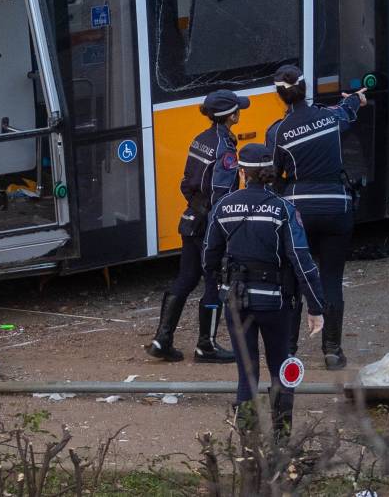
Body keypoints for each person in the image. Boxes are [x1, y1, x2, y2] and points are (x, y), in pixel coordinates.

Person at [202, 143, 325, 438]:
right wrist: (316, 306)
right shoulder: (284, 209)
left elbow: (209, 256)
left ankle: (246, 442)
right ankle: (282, 438)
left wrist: (217, 289)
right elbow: (301, 259)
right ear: (271, 173)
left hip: (236, 302)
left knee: (246, 373)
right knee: (282, 367)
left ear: (242, 172)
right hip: (276, 303)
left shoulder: (222, 207)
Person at [264, 64, 365, 370]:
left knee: (294, 279)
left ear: (280, 96)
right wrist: (356, 98)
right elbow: (348, 109)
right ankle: (332, 351)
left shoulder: (278, 131)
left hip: (299, 214)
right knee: (331, 278)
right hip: (337, 207)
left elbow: (272, 175)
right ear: (306, 89)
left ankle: (289, 351)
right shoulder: (330, 117)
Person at [146, 89, 248, 363]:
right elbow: (220, 192)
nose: (241, 112)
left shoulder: (199, 139)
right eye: (238, 109)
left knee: (186, 278)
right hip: (209, 225)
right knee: (212, 280)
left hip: (191, 218)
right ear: (231, 116)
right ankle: (207, 346)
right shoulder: (225, 146)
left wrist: (197, 206)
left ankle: (162, 339)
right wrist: (225, 224)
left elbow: (185, 182)